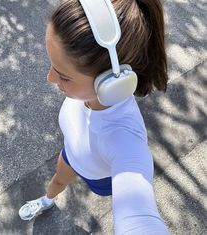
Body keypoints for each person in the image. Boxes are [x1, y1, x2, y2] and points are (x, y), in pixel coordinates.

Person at [19, 0, 171, 234]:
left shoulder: (125, 140)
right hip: (72, 153)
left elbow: (139, 218)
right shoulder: (85, 92)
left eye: (64, 77)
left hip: (100, 177)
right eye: (52, 65)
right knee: (58, 180)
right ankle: (47, 200)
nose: (50, 78)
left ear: (112, 82)